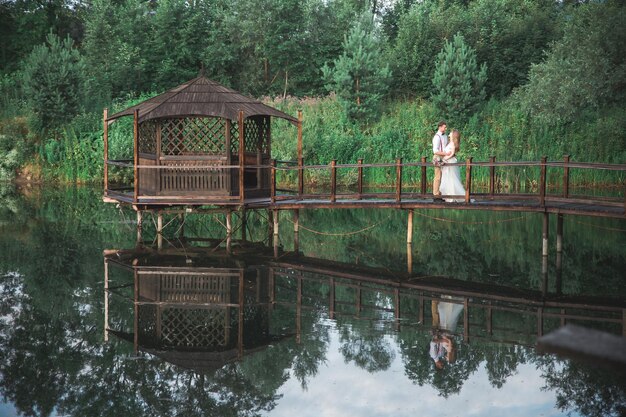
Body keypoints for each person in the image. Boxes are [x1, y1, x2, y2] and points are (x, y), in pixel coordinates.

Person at [439, 129, 468, 202]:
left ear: (453, 135)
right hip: (447, 162)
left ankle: (453, 196)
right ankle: (448, 195)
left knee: (452, 178)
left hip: (450, 161)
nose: (449, 134)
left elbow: (452, 153)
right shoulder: (450, 143)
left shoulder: (452, 144)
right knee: (447, 178)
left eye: (451, 133)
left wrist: (445, 159)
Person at [432, 121, 448, 200]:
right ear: (440, 127)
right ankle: (436, 194)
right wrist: (445, 153)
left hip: (444, 157)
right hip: (438, 157)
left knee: (444, 176)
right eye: (444, 127)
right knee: (438, 176)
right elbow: (435, 151)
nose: (446, 128)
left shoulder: (445, 136)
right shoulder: (436, 137)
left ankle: (442, 193)